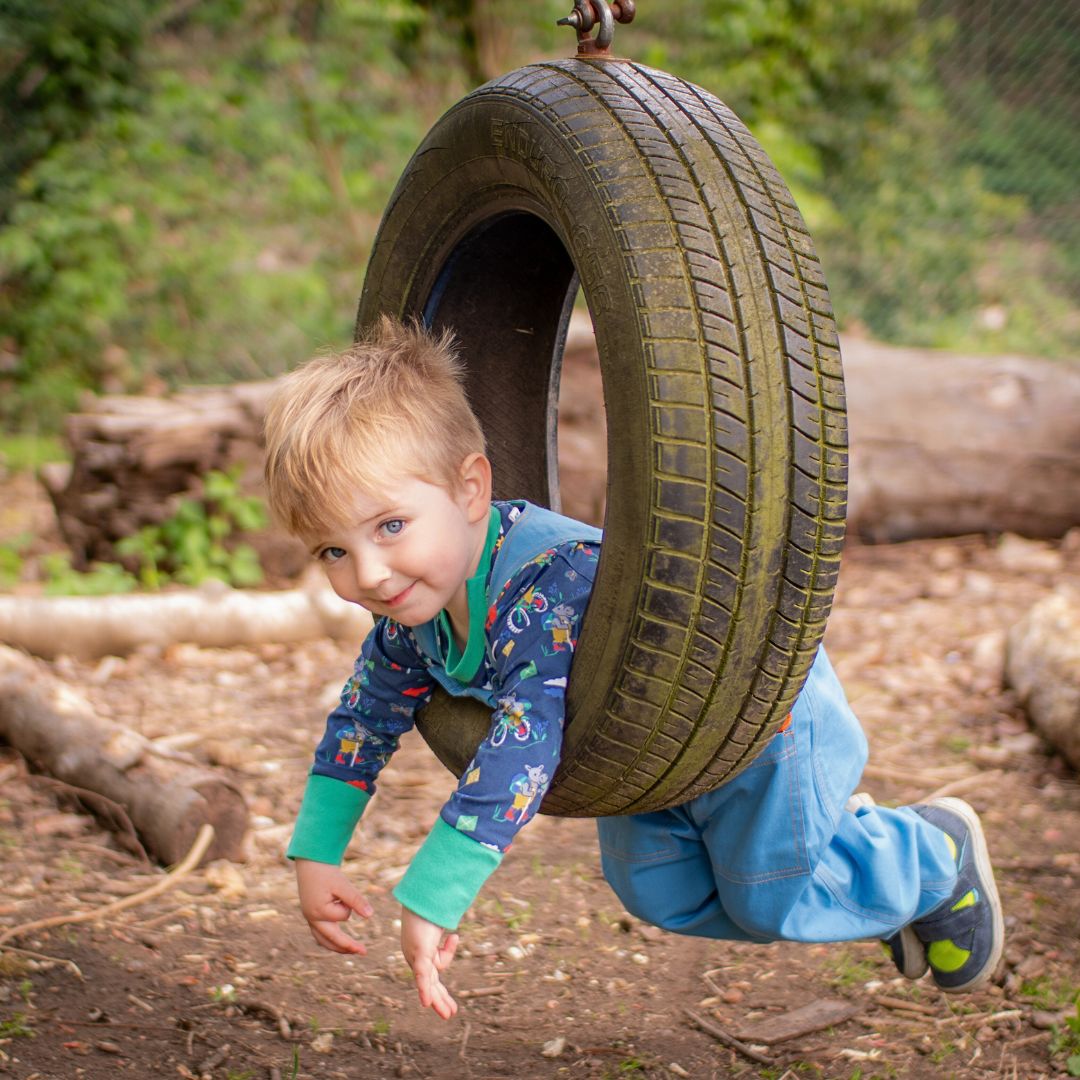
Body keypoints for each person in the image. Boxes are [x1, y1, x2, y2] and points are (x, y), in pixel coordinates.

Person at [262, 316, 1003, 1020]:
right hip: (647, 745)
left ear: (469, 490)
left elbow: (524, 741)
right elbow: (364, 717)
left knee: (765, 899)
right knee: (655, 890)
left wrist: (435, 894)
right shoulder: (410, 613)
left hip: (753, 717)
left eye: (391, 527)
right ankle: (864, 874)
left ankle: (928, 858)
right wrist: (318, 853)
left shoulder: (548, 584)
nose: (370, 573)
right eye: (334, 550)